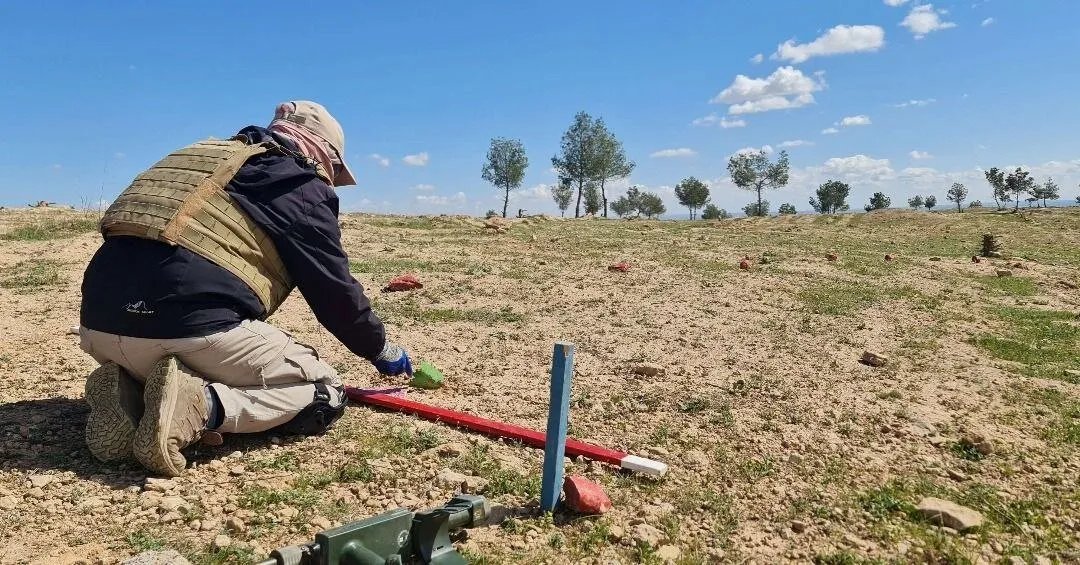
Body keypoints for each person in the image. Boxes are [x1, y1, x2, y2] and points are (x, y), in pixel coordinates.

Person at [78, 101, 412, 477]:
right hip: (186, 329)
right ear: (321, 149)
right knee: (325, 390)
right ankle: (203, 405)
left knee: (178, 354)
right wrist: (380, 348)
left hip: (97, 329)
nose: (330, 179)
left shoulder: (202, 159)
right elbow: (335, 293)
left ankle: (130, 390)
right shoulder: (297, 184)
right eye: (333, 169)